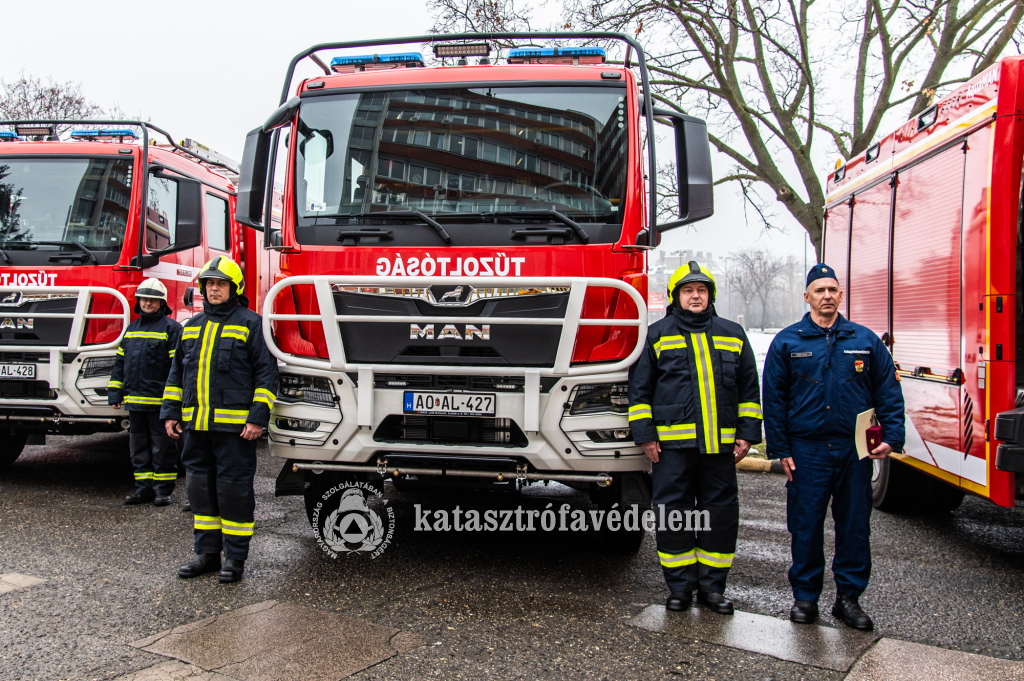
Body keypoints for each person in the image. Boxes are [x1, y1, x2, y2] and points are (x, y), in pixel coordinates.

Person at [761, 264, 905, 631]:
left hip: (853, 450)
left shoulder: (865, 340)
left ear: (841, 296)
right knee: (806, 525)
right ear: (806, 296)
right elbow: (774, 400)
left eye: (833, 290)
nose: (827, 296)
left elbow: (888, 390)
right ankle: (805, 598)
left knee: (854, 527)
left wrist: (891, 435)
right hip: (807, 451)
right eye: (819, 290)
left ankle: (848, 599)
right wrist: (780, 448)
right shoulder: (788, 343)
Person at [628, 261, 763, 615]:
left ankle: (712, 590)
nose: (696, 296)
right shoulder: (657, 334)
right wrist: (646, 437)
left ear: (710, 295)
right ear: (676, 297)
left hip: (720, 449)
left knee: (719, 517)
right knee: (673, 516)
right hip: (672, 449)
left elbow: (750, 389)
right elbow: (640, 391)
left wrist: (747, 434)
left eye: (702, 290)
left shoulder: (733, 334)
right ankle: (679, 589)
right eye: (688, 290)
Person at [160, 257, 278, 584]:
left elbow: (266, 376)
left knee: (233, 493)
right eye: (209, 284)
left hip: (235, 431)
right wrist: (170, 412)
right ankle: (207, 555)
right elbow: (176, 375)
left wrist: (257, 418)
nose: (213, 289)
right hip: (196, 428)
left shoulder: (252, 324)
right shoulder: (191, 326)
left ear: (234, 289)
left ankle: (235, 560)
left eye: (220, 284)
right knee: (200, 490)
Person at [107, 279, 182, 506]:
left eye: (152, 300)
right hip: (134, 402)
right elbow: (120, 363)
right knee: (138, 448)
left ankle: (163, 491)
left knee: (162, 449)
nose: (147, 303)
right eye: (144, 299)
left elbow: (177, 369)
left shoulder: (172, 329)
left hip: (159, 404)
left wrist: (173, 402)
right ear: (138, 301)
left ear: (162, 303)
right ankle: (143, 490)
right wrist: (114, 392)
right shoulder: (131, 329)